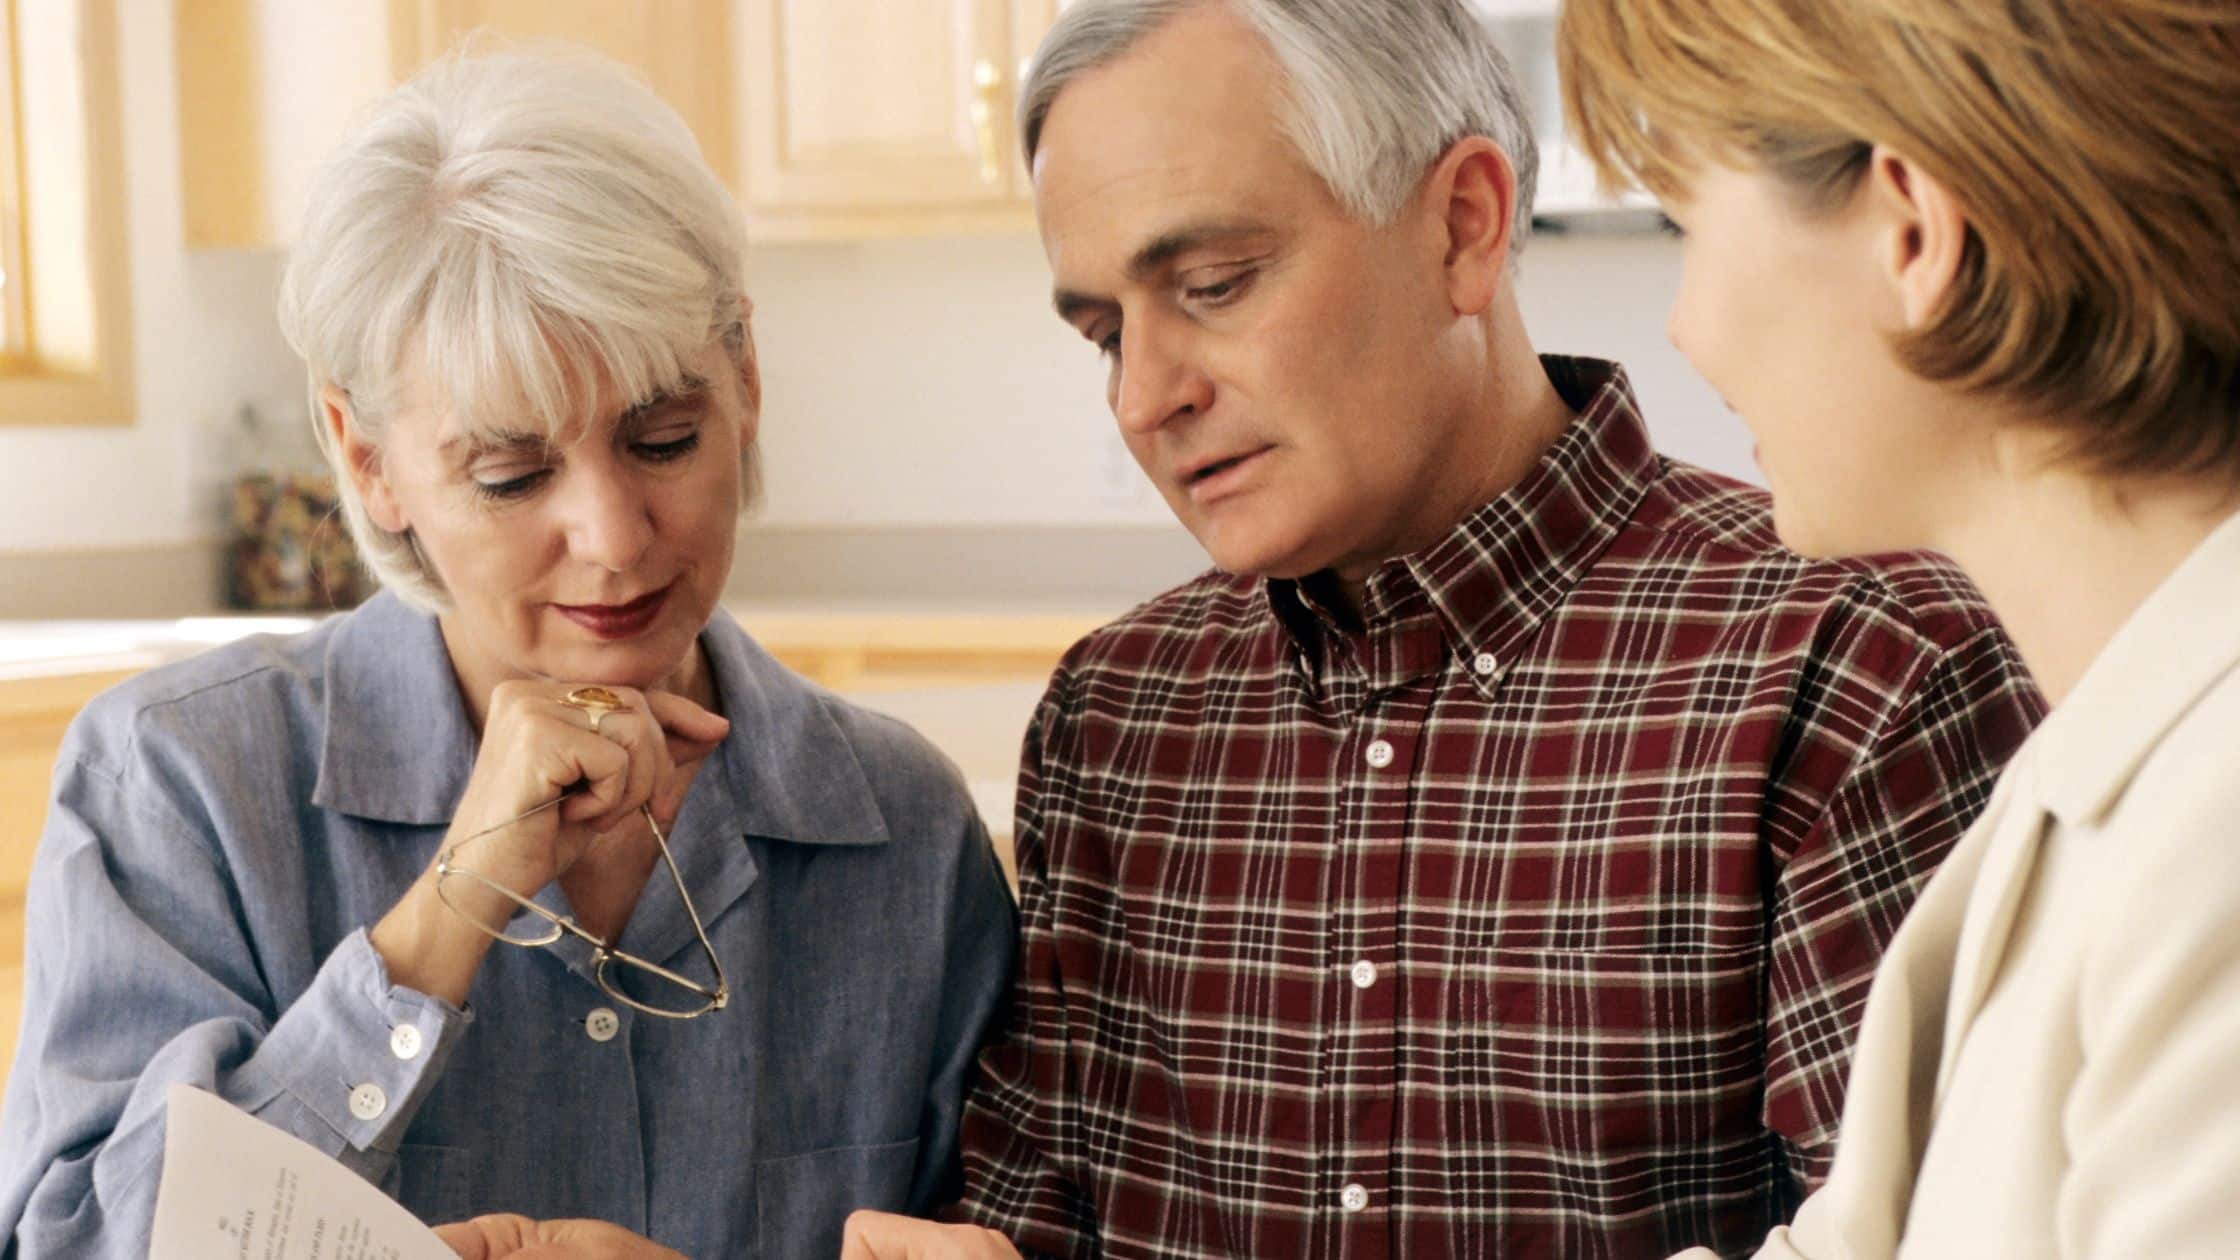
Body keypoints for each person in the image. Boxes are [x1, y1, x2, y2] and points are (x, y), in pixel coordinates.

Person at [462, 2, 2040, 1256]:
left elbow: (1943, 1241)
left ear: (1465, 227)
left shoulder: (1854, 668)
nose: (1147, 397)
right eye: (1101, 330)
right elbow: (1021, 1228)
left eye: (1212, 282)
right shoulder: (1121, 714)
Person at [0, 50, 1015, 1260]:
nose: (613, 538)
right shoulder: (177, 785)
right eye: (511, 474)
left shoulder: (905, 831)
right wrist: (439, 925)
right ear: (365, 457)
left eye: (664, 437)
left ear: (744, 375)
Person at [1551, 1, 2240, 1257]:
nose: (1681, 324)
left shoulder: (2215, 840)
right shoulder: (2098, 765)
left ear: (1911, 232)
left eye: (1684, 225)